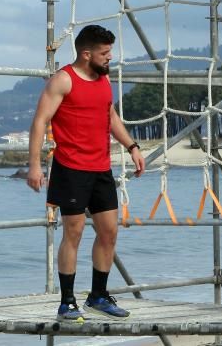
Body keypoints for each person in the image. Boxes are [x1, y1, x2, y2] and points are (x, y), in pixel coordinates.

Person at [26, 25, 145, 321]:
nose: (110, 58)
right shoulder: (63, 80)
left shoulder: (104, 80)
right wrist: (35, 165)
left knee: (109, 232)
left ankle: (98, 296)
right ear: (86, 53)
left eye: (110, 52)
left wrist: (132, 146)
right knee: (74, 233)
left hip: (101, 168)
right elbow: (40, 121)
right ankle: (67, 302)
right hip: (70, 169)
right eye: (105, 53)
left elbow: (110, 116)